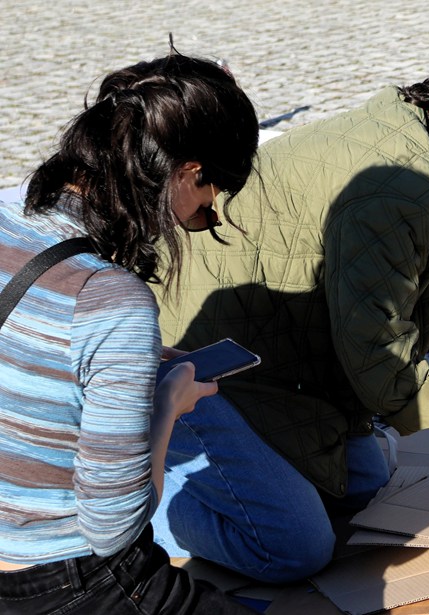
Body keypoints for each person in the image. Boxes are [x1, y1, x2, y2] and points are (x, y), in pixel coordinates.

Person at [150, 5, 429, 585]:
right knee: (295, 549)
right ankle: (138, 504)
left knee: (365, 480)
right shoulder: (403, 188)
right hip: (201, 361)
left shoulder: (420, 131)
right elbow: (377, 354)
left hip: (277, 350)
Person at [0, 50, 259, 614]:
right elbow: (113, 530)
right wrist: (168, 403)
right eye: (208, 205)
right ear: (187, 173)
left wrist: (109, 364)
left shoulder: (7, 219)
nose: (199, 220)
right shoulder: (112, 300)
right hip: (61, 580)